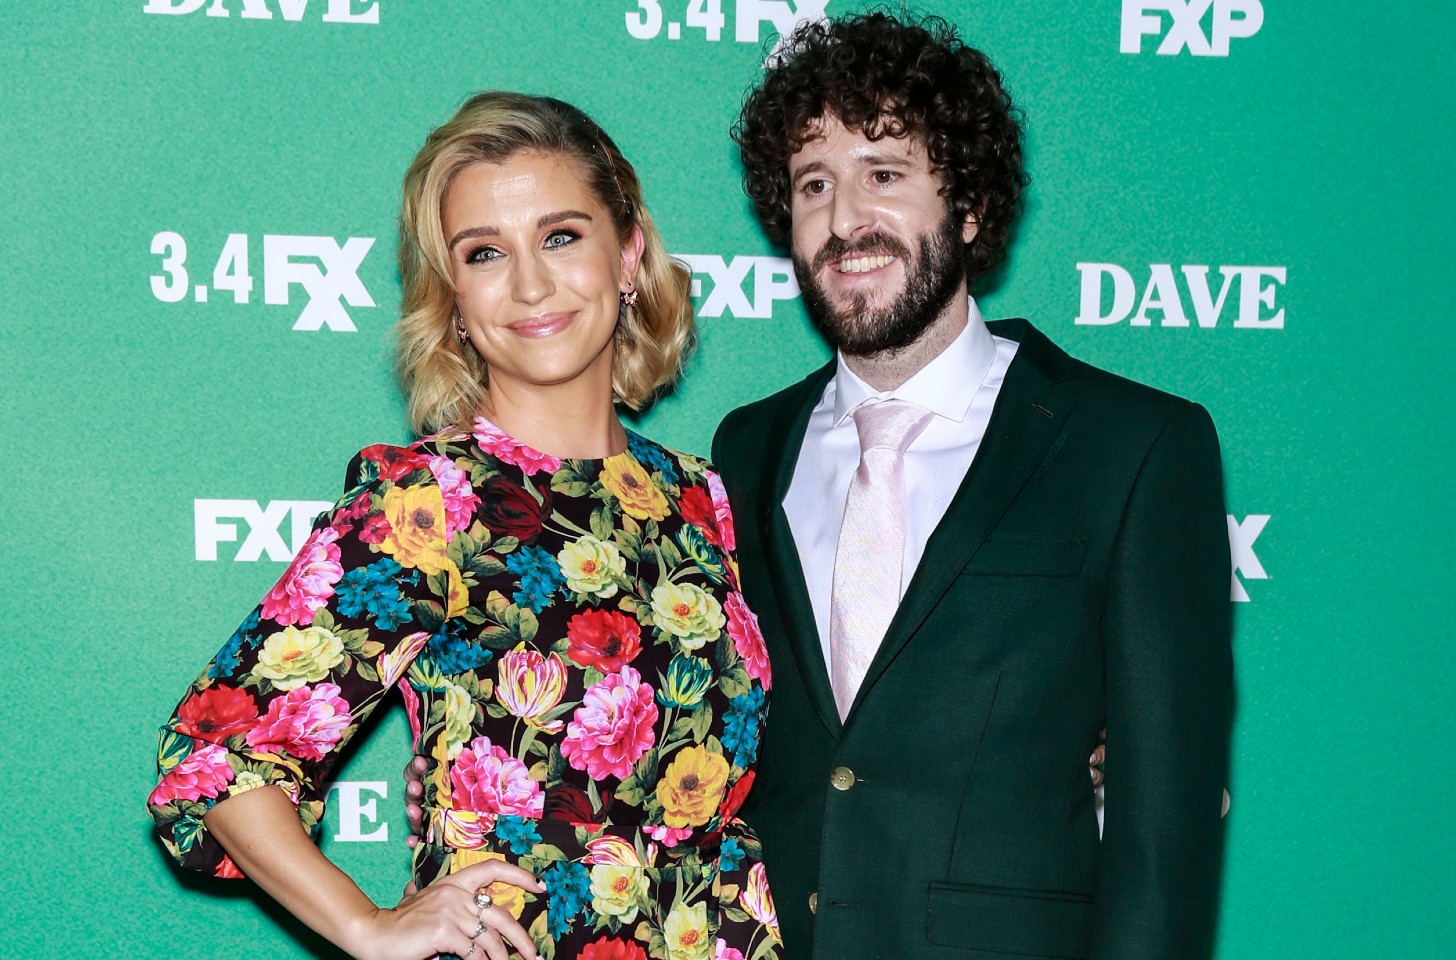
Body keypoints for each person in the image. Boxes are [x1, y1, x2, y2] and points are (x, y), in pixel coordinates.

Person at [147, 92, 781, 960]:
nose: (530, 284)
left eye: (561, 236)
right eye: (485, 254)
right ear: (452, 296)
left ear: (628, 254)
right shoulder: (430, 500)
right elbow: (217, 758)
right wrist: (365, 924)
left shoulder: (701, 498)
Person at [709, 12, 1233, 960]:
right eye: (813, 183)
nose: (845, 219)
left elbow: (1166, 831)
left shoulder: (1135, 447)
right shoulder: (745, 449)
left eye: (886, 174)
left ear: (972, 206)